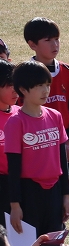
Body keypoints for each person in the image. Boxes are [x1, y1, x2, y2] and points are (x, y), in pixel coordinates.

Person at [5, 61, 69, 246]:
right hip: (29, 193)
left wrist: (65, 196)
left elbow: (62, 161)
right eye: (39, 86)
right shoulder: (16, 122)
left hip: (53, 192)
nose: (45, 91)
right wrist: (15, 205)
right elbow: (13, 168)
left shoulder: (55, 116)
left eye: (47, 85)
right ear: (23, 90)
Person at [23, 17, 69, 175]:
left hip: (65, 138)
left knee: (64, 184)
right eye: (48, 40)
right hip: (38, 140)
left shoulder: (68, 71)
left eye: (57, 39)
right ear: (32, 45)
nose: (54, 44)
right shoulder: (25, 73)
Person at [0, 59, 18, 227]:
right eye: (9, 85)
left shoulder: (22, 114)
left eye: (16, 84)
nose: (15, 90)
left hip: (21, 183)